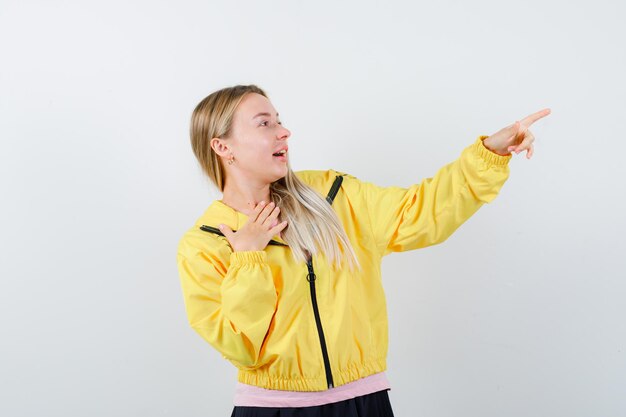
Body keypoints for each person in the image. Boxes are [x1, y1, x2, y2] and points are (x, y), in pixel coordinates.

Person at [176, 84, 551, 416]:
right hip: (272, 409)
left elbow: (418, 213)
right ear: (222, 146)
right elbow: (241, 347)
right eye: (265, 124)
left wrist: (488, 154)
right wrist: (248, 260)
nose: (284, 132)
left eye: (279, 120)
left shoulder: (333, 196)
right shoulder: (204, 244)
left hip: (363, 401)